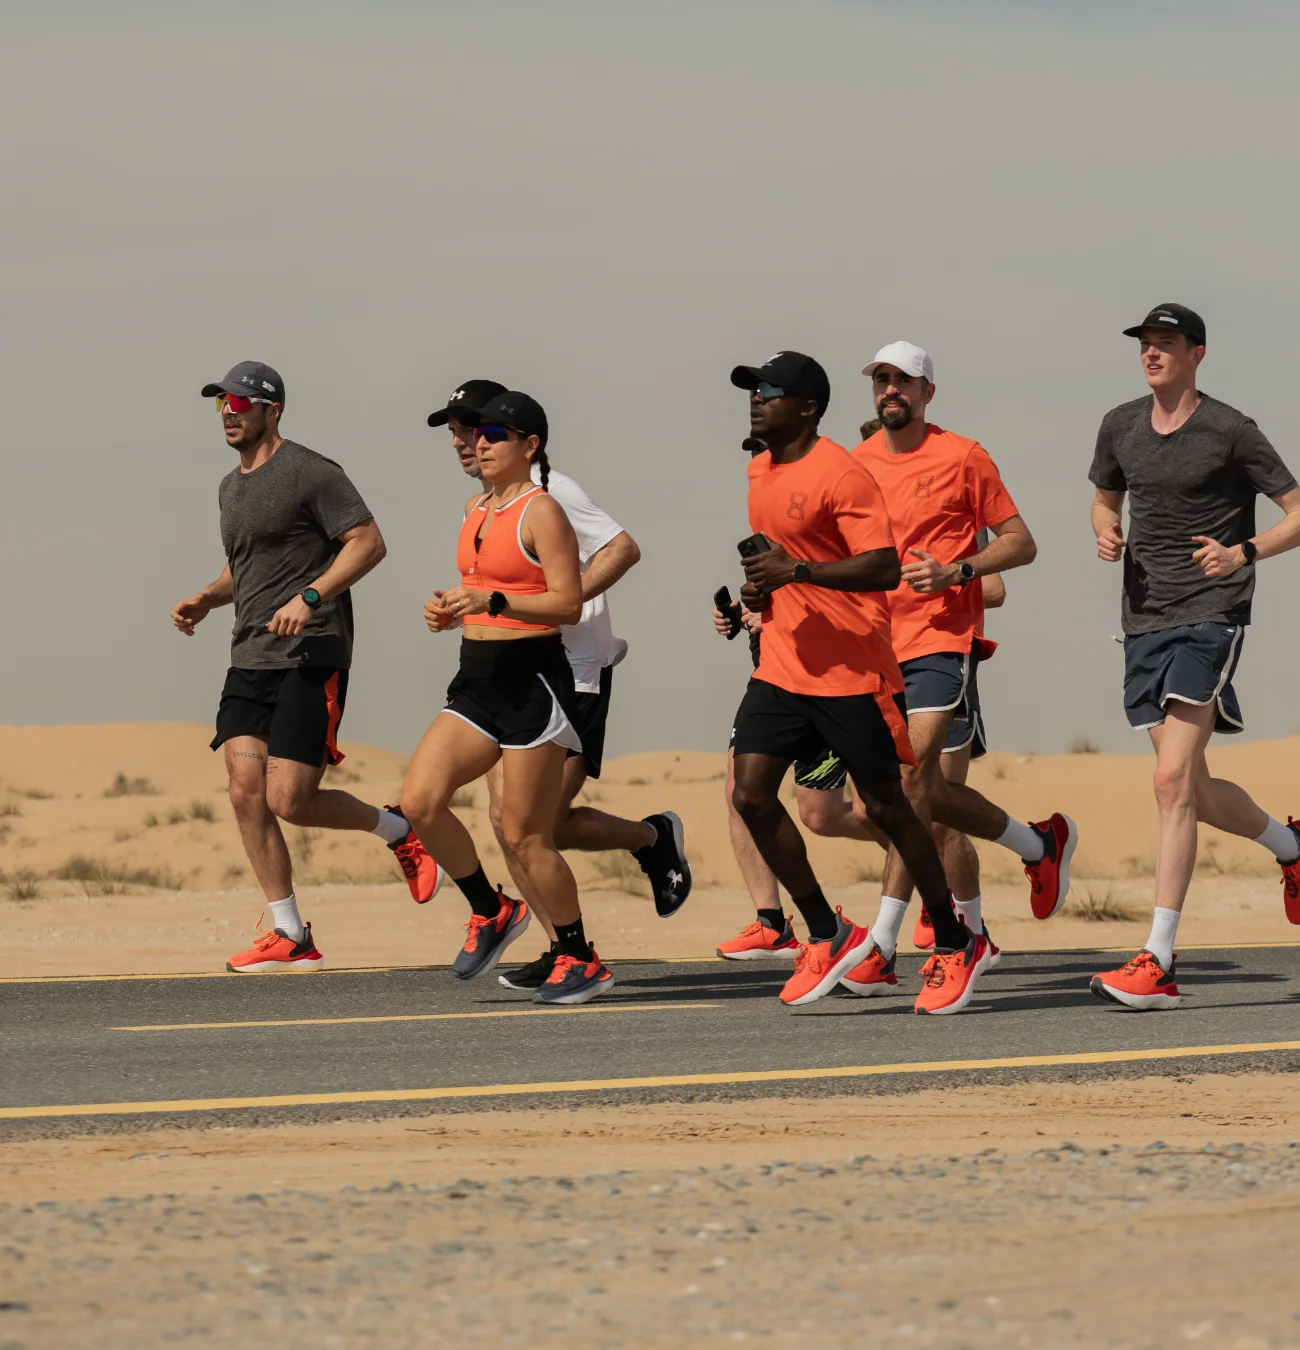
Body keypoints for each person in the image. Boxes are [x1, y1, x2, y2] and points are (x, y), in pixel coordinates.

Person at [727, 350, 990, 1015]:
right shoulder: (760, 468)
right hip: (783, 664)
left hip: (852, 672)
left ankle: (958, 939)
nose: (757, 400)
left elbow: (881, 568)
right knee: (750, 794)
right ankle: (825, 930)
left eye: (770, 392)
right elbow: (781, 558)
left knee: (891, 809)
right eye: (753, 391)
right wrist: (754, 598)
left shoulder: (843, 473)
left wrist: (799, 576)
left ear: (807, 408)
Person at [172, 361, 443, 973]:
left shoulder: (312, 473)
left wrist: (312, 597)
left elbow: (369, 543)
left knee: (290, 799)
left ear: (273, 410)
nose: (229, 413)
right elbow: (245, 572)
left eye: (242, 403)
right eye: (223, 404)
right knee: (246, 794)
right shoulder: (229, 488)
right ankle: (291, 934)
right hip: (249, 656)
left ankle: (398, 828)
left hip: (310, 651)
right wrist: (208, 598)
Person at [427, 380, 692, 992]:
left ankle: (650, 841)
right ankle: (560, 947)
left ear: (519, 438)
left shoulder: (553, 490)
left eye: (478, 429)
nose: (465, 441)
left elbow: (623, 549)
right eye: (458, 431)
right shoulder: (486, 505)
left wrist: (553, 605)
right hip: (507, 671)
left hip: (572, 671)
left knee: (537, 825)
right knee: (511, 821)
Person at [841, 343, 1076, 997]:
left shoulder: (963, 457)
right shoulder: (852, 466)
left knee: (913, 782)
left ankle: (885, 943)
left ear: (927, 393)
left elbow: (1021, 543)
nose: (890, 390)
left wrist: (959, 570)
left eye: (903, 381)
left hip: (942, 636)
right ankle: (1038, 846)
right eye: (881, 380)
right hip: (876, 649)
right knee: (914, 797)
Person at [1088, 304, 1300, 1009]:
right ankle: (1293, 850)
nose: (1152, 354)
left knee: (1169, 781)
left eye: (1166, 344)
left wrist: (1243, 551)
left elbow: (1298, 511)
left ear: (1197, 354)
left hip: (1212, 617)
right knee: (1192, 789)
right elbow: (1102, 499)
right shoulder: (1121, 424)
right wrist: (1106, 528)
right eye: (1146, 344)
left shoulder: (1231, 430)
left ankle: (1158, 960)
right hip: (1143, 620)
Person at [400, 390, 615, 1004]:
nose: (480, 444)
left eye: (495, 434)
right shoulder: (475, 507)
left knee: (525, 836)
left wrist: (492, 603)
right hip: (477, 678)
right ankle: (490, 907)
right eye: (478, 434)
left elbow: (567, 603)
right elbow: (480, 591)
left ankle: (580, 956)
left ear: (530, 445)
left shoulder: (542, 510)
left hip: (533, 682)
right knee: (419, 801)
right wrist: (451, 612)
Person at [711, 435, 890, 963]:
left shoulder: (840, 497)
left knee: (822, 815)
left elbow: (860, 577)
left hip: (835, 677)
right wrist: (748, 609)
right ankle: (772, 920)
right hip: (777, 674)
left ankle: (920, 857)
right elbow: (782, 585)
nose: (766, 463)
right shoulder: (769, 504)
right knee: (740, 789)